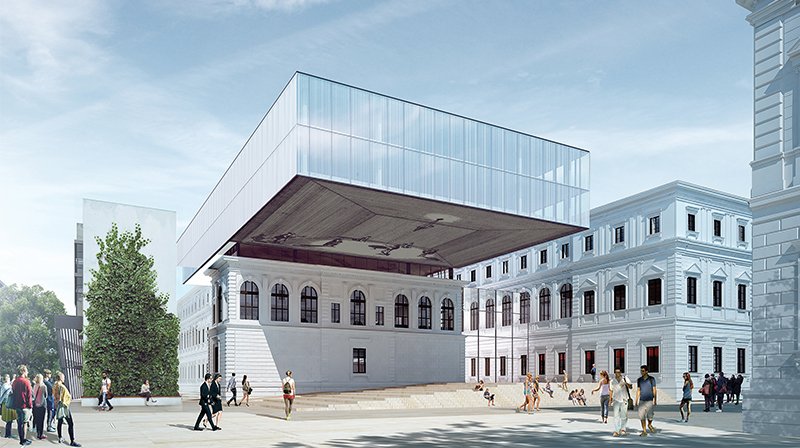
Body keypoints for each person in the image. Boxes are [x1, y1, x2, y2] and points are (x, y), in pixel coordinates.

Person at [53, 372, 81, 447]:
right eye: (63, 377)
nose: (64, 378)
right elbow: (64, 397)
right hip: (64, 406)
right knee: (71, 424)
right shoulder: (61, 386)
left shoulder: (55, 385)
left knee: (60, 421)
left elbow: (56, 396)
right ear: (61, 378)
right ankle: (72, 441)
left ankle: (60, 437)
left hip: (59, 406)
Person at [12, 365, 33, 446]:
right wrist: (30, 406)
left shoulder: (15, 381)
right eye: (26, 370)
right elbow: (29, 395)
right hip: (25, 406)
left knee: (19, 423)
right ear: (23, 371)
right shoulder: (26, 381)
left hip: (17, 405)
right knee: (25, 423)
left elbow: (13, 392)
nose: (27, 372)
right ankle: (23, 440)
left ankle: (21, 439)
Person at [635, 365, 657, 437]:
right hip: (642, 400)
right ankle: (644, 431)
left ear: (647, 371)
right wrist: (636, 400)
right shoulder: (639, 380)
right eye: (641, 371)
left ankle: (649, 424)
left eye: (643, 371)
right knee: (642, 416)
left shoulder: (652, 379)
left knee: (650, 416)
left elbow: (654, 389)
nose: (641, 372)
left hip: (649, 400)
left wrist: (655, 400)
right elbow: (638, 390)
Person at [609, 368, 632, 437]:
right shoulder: (612, 381)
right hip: (616, 399)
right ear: (614, 373)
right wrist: (610, 399)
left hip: (624, 399)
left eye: (618, 372)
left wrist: (626, 383)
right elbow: (611, 390)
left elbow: (631, 387)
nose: (617, 374)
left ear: (621, 372)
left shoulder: (625, 378)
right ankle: (616, 431)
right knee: (616, 416)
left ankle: (623, 429)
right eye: (616, 372)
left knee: (624, 415)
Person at [31, 374, 48, 440]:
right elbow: (46, 395)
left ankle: (38, 432)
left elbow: (33, 395)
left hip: (35, 404)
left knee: (37, 419)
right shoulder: (43, 386)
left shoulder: (34, 386)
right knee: (42, 420)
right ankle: (40, 434)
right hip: (42, 405)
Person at [1, 374, 13, 439]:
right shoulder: (5, 386)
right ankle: (7, 434)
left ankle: (8, 434)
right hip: (6, 404)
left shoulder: (7, 385)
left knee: (9, 420)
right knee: (9, 420)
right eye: (8, 377)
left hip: (8, 403)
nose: (9, 378)